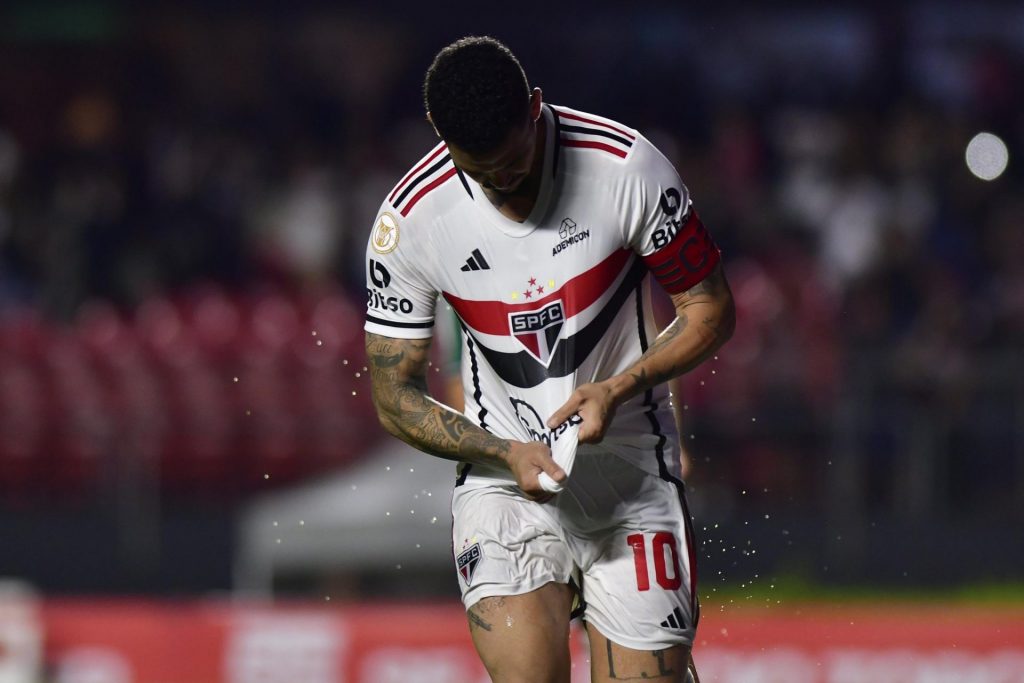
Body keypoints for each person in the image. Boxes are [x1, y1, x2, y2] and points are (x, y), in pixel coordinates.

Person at [364, 36, 734, 683]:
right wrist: (502, 451)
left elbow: (709, 306)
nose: (502, 183)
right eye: (480, 170)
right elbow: (393, 392)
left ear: (535, 108)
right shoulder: (411, 218)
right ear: (438, 134)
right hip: (505, 480)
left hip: (630, 470)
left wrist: (618, 388)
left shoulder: (626, 168)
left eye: (513, 162)